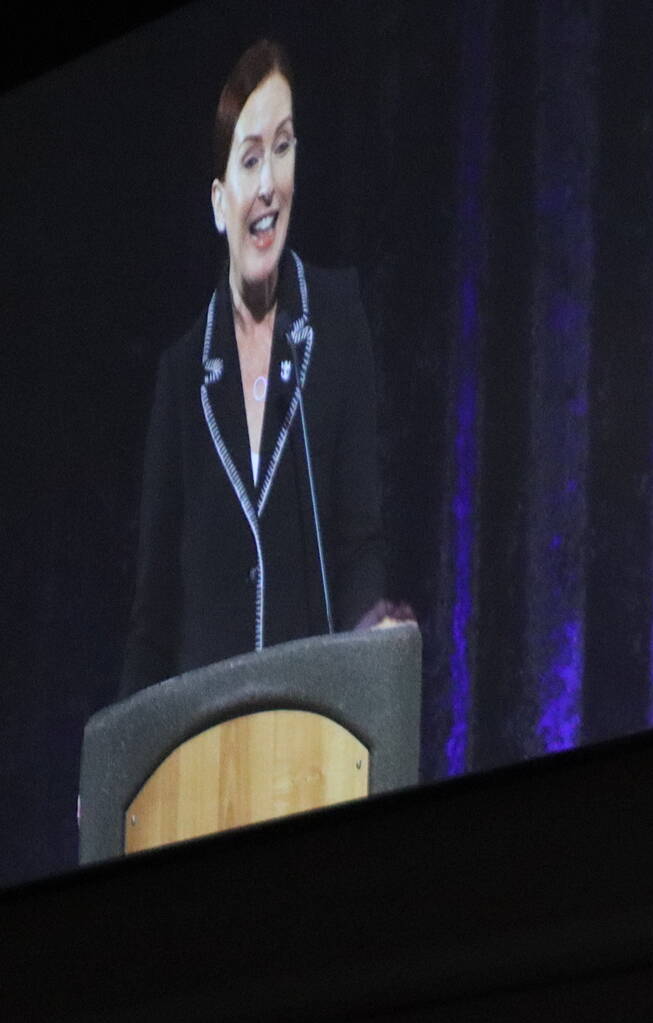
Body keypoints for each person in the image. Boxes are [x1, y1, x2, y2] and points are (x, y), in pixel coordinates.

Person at [121, 39, 405, 698]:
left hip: (312, 734)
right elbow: (153, 619)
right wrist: (117, 772)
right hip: (207, 760)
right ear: (221, 202)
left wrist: (371, 647)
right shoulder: (181, 375)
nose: (272, 179)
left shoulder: (335, 318)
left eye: (284, 147)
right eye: (251, 158)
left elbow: (358, 539)